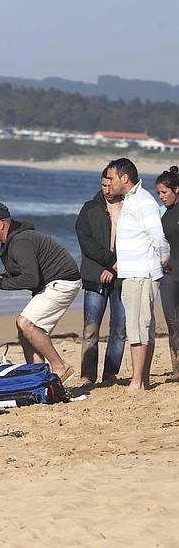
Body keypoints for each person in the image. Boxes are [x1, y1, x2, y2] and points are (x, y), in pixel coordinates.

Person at [0, 201, 80, 383]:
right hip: (54, 282)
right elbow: (22, 271)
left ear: (1, 224)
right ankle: (37, 373)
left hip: (62, 282)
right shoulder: (14, 240)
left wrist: (1, 283)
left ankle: (60, 367)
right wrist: (2, 276)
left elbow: (31, 279)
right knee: (26, 331)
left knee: (25, 323)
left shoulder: (20, 241)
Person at [107, 158, 169, 390]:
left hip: (141, 274)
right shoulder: (131, 201)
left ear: (125, 178)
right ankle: (142, 379)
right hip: (134, 272)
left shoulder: (143, 201)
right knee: (141, 326)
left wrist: (158, 266)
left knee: (138, 328)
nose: (109, 183)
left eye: (112, 178)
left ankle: (137, 382)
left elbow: (159, 238)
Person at [75, 168, 126, 384]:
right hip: (95, 275)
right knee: (90, 328)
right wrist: (109, 262)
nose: (106, 190)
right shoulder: (90, 208)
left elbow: (134, 242)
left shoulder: (129, 208)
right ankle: (88, 375)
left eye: (110, 185)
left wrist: (114, 268)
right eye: (103, 185)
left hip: (123, 275)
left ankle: (110, 374)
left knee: (119, 328)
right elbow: (86, 242)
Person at [155, 165, 179, 378]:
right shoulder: (165, 215)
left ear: (176, 190)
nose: (161, 197)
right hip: (170, 273)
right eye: (159, 193)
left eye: (164, 192)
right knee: (172, 322)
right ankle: (177, 367)